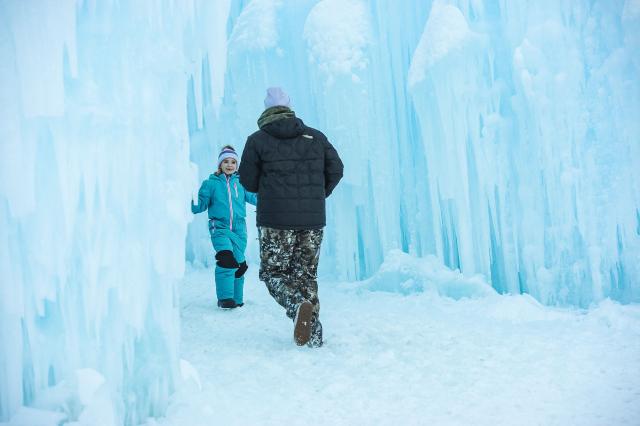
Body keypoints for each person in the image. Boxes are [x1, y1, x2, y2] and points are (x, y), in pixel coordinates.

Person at [239, 87, 343, 347]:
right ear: (289, 106)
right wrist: (318, 195)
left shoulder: (257, 140)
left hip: (275, 220)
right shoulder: (315, 137)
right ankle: (314, 335)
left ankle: (298, 306)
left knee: (273, 272)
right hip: (312, 220)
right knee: (305, 274)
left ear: (266, 109)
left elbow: (247, 181)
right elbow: (337, 169)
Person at [192, 145, 257, 309]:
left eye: (233, 162)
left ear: (236, 165)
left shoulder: (241, 183)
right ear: (219, 164)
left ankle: (237, 299)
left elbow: (256, 198)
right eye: (226, 161)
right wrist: (188, 195)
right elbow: (199, 205)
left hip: (239, 230)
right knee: (226, 259)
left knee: (240, 265)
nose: (229, 165)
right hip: (219, 228)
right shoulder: (211, 183)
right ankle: (225, 298)